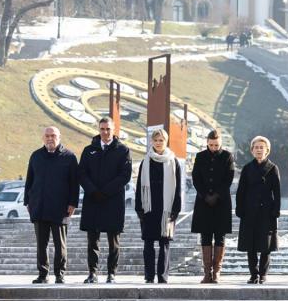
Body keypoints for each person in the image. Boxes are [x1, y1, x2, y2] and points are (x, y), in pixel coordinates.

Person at [79, 117, 132, 284]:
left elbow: (125, 175)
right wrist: (94, 191)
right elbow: (82, 173)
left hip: (113, 201)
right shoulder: (88, 150)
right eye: (102, 129)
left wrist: (106, 192)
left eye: (108, 129)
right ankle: (92, 273)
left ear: (113, 129)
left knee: (113, 241)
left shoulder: (123, 150)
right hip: (93, 200)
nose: (105, 132)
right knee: (92, 240)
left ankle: (111, 273)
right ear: (98, 129)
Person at [25, 126, 79, 284]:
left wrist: (73, 203)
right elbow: (29, 180)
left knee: (59, 244)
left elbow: (74, 184)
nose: (50, 138)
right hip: (39, 206)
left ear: (59, 137)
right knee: (41, 244)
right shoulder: (36, 156)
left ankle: (59, 274)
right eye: (47, 136)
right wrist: (28, 201)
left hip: (60, 208)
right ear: (43, 138)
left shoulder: (69, 157)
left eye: (53, 135)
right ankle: (43, 274)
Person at [135, 128, 183, 284]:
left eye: (161, 140)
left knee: (165, 243)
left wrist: (176, 208)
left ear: (166, 141)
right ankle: (149, 276)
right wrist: (139, 207)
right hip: (149, 207)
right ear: (151, 141)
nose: (158, 143)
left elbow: (178, 187)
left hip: (166, 208)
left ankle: (163, 276)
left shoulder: (173, 161)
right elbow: (139, 186)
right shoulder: (146, 161)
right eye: (155, 140)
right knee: (148, 243)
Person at [190, 129, 235, 283]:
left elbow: (229, 178)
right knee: (206, 235)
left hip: (221, 202)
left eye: (216, 145)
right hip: (203, 202)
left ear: (220, 143)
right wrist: (205, 195)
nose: (214, 148)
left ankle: (216, 272)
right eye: (211, 145)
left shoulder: (227, 156)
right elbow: (196, 178)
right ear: (207, 143)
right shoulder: (200, 156)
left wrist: (216, 195)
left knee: (220, 236)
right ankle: (207, 273)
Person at [236, 136, 281, 284]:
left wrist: (276, 210)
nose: (259, 150)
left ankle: (263, 274)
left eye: (262, 147)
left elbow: (277, 192)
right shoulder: (247, 168)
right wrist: (239, 208)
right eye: (256, 147)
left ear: (267, 150)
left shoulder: (273, 168)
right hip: (249, 211)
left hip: (267, 212)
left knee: (265, 245)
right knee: (251, 244)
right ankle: (253, 274)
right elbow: (241, 191)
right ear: (252, 150)